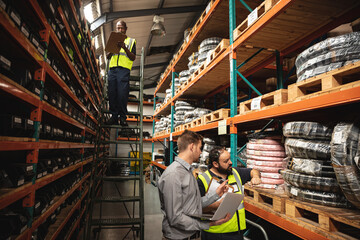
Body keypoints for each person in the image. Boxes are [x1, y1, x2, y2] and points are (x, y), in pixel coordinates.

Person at [158, 130, 231, 240]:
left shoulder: (187, 171)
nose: (201, 152)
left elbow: (193, 205)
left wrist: (216, 194)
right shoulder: (174, 175)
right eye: (200, 148)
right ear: (192, 147)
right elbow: (175, 217)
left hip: (192, 235)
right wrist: (208, 224)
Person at [197, 146, 261, 240]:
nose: (230, 162)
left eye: (229, 159)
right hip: (215, 234)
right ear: (215, 164)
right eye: (226, 161)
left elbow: (253, 171)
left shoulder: (235, 173)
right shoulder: (203, 180)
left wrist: (255, 176)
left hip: (236, 232)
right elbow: (196, 208)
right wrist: (217, 205)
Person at [106, 20, 136, 126]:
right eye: (118, 28)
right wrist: (113, 48)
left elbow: (133, 57)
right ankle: (114, 116)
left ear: (126, 28)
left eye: (121, 28)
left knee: (122, 94)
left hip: (123, 70)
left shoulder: (131, 41)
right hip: (112, 70)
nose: (119, 30)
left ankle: (123, 117)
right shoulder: (113, 39)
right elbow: (107, 57)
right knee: (112, 93)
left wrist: (124, 48)